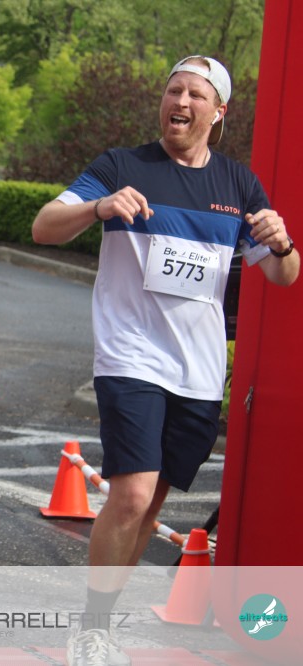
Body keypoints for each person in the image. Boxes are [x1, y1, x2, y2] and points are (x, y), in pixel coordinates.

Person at [31, 55, 299, 666]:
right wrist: (98, 208)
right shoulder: (122, 166)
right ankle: (91, 629)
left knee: (151, 506)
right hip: (130, 357)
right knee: (131, 496)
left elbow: (284, 275)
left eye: (195, 95)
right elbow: (44, 226)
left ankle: (104, 625)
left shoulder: (238, 185)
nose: (180, 102)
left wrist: (283, 242)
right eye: (173, 90)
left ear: (218, 112)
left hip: (198, 372)